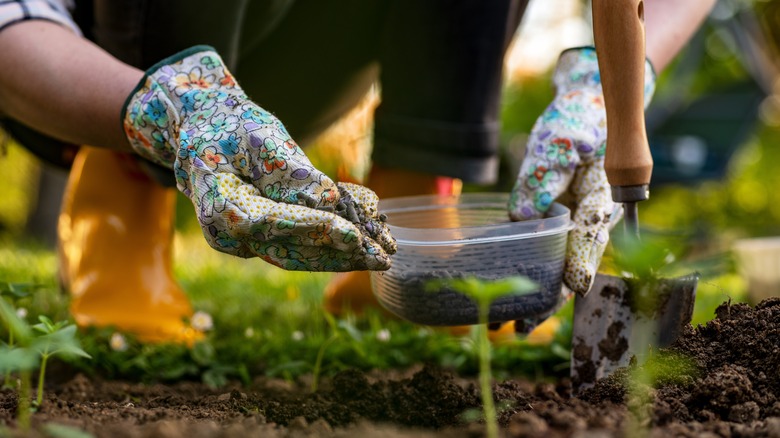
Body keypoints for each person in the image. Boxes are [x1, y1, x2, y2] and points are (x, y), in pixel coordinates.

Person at [0, 0, 715, 343]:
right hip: (86, 72)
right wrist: (169, 109)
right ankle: (121, 209)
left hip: (312, 57)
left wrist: (612, 82)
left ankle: (415, 208)